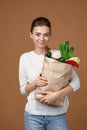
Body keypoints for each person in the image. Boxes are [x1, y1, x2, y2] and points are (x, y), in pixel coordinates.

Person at [19, 17, 80, 130]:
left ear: (50, 35)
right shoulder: (25, 58)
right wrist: (35, 83)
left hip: (57, 116)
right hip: (33, 117)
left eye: (46, 35)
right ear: (31, 34)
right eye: (38, 34)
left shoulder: (59, 55)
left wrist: (57, 95)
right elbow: (23, 90)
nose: (41, 38)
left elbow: (76, 82)